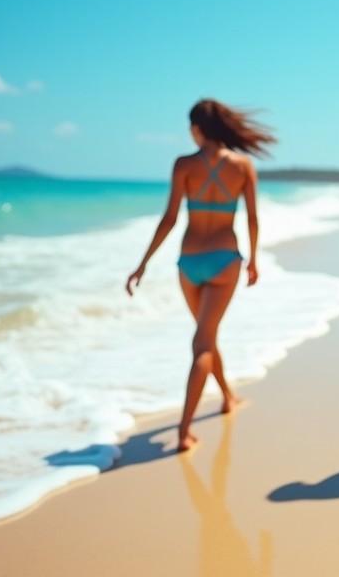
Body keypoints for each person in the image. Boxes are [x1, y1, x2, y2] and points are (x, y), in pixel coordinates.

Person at [126, 99, 274, 452]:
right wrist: (253, 259)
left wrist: (144, 262)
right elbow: (252, 218)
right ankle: (186, 430)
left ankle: (222, 399)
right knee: (204, 340)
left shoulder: (183, 165)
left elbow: (169, 219)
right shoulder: (243, 166)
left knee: (204, 338)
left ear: (198, 129)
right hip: (225, 260)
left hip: (189, 262)